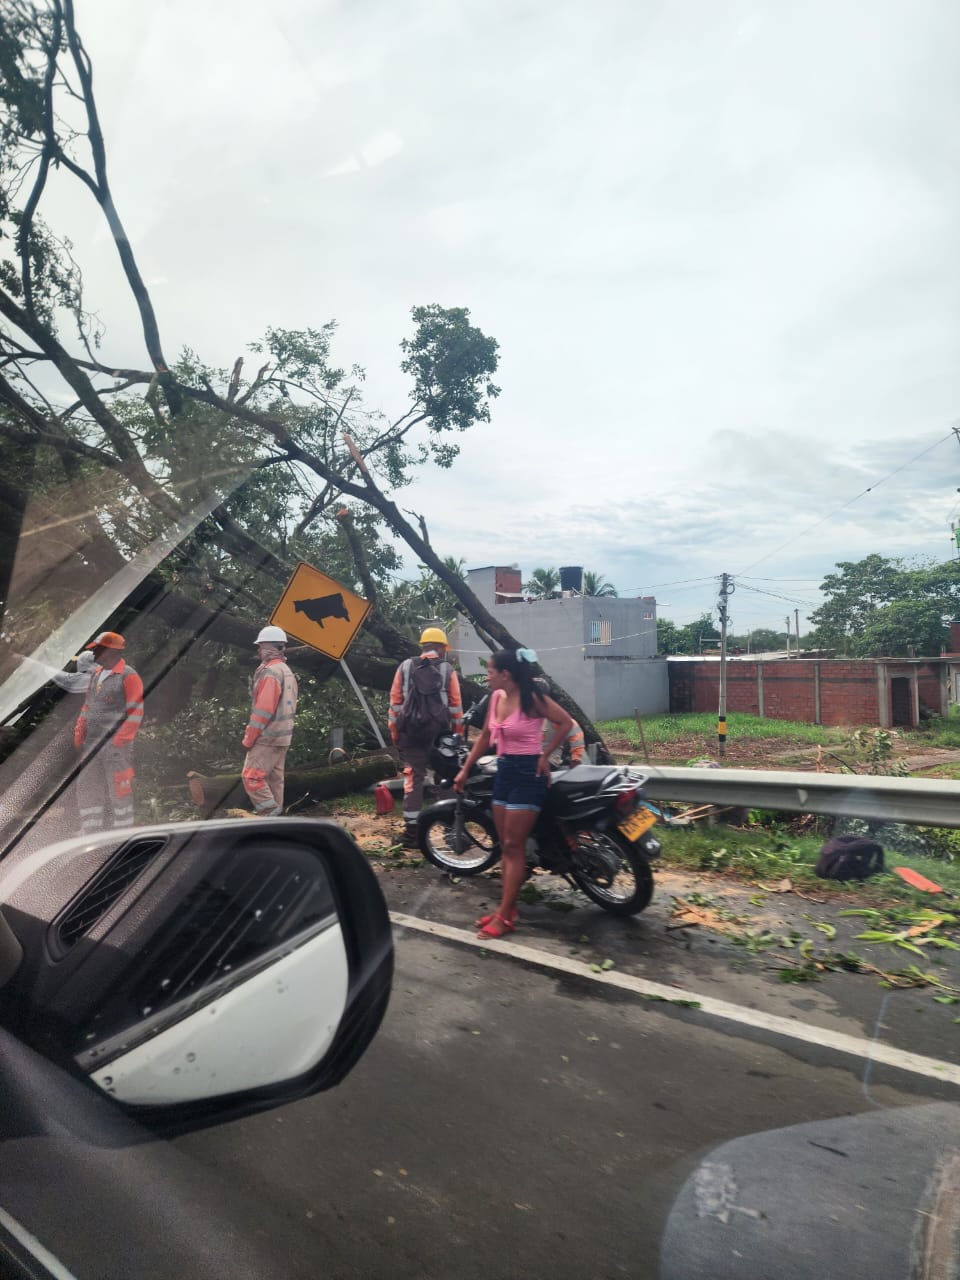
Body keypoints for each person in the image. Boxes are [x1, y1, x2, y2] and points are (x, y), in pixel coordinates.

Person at [453, 648, 572, 939]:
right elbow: (484, 737)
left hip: (528, 773)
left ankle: (504, 916)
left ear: (506, 674)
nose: (487, 677)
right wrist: (465, 769)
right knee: (506, 846)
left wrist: (545, 756)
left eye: (490, 673)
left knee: (513, 845)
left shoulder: (532, 698)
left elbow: (566, 722)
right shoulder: (495, 698)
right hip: (504, 772)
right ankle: (508, 909)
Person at [389, 627, 464, 846]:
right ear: (441, 648)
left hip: (411, 734)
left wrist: (395, 733)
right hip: (441, 736)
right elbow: (455, 707)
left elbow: (395, 704)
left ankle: (412, 835)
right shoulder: (447, 670)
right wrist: (456, 736)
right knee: (445, 780)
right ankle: (452, 835)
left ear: (422, 646)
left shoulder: (404, 667)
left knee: (413, 779)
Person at [73, 632, 144, 834]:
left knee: (118, 787)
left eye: (98, 649)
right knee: (87, 784)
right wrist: (80, 729)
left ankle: (123, 831)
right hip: (92, 742)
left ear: (112, 651)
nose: (93, 652)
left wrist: (120, 740)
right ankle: (90, 830)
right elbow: (88, 705)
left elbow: (136, 712)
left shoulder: (129, 675)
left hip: (115, 744)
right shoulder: (96, 675)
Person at [241, 625, 299, 816]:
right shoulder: (286, 671)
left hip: (268, 737)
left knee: (252, 777)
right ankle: (278, 820)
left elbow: (263, 711)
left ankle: (269, 815)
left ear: (270, 648)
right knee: (275, 780)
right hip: (283, 738)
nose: (258, 650)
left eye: (260, 646)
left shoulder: (271, 672)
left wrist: (250, 738)